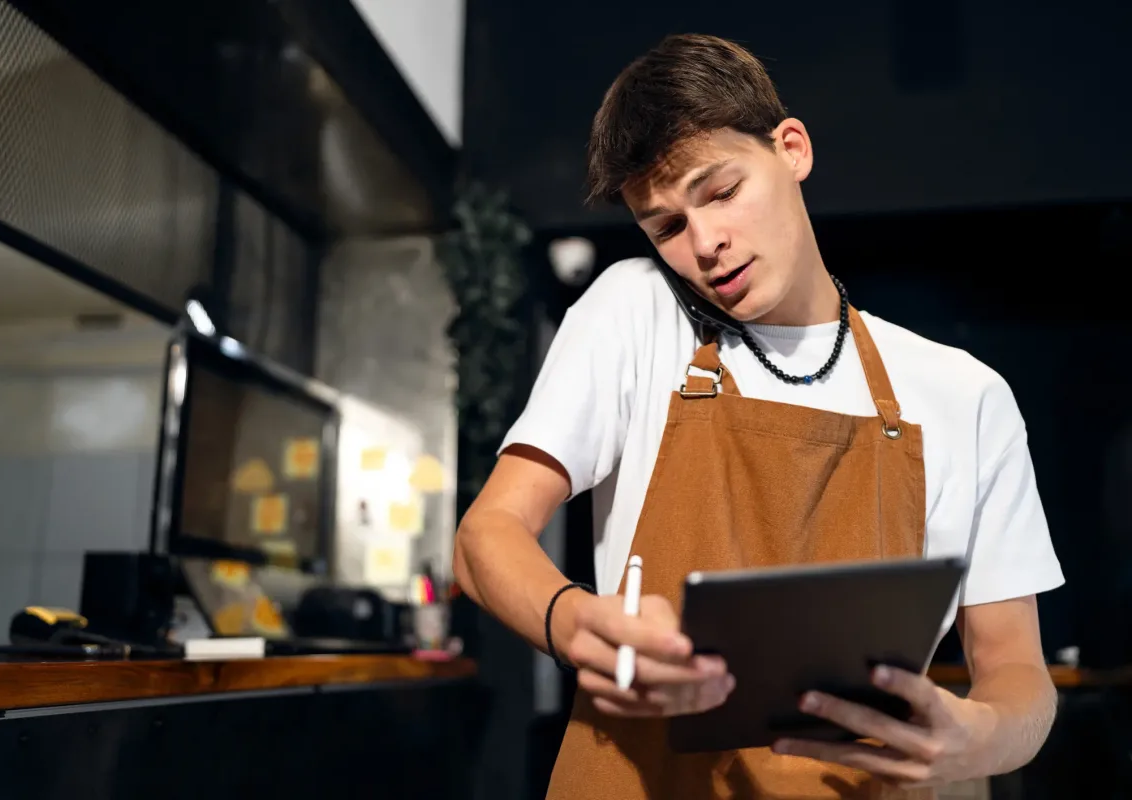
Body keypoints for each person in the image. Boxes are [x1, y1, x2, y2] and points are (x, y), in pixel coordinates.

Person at [452, 32, 1064, 799]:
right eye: (667, 227)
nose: (706, 243)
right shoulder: (637, 312)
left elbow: (1018, 677)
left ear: (791, 149)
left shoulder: (965, 396)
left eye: (720, 192)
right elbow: (485, 536)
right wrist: (573, 623)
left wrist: (976, 738)